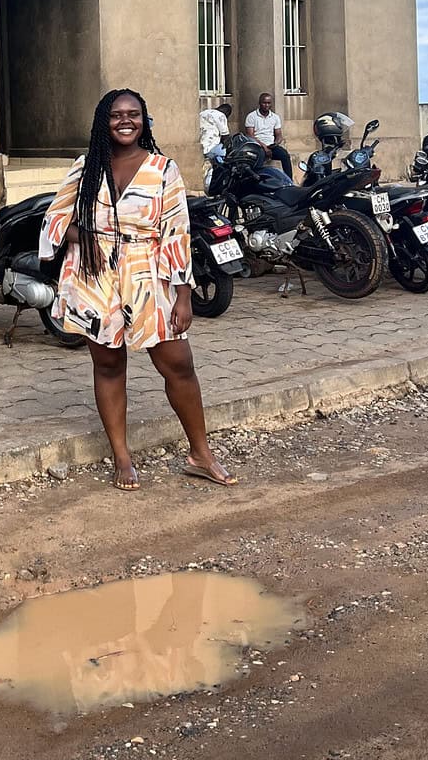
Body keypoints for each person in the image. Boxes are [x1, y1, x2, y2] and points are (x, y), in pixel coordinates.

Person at [41, 88, 237, 492]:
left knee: (178, 363)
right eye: (116, 114)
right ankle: (122, 456)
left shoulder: (163, 169)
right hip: (96, 278)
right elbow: (55, 221)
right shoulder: (86, 168)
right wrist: (88, 236)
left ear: (144, 121)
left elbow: (176, 233)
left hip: (149, 275)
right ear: (103, 121)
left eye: (134, 114)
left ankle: (201, 454)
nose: (125, 121)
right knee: (109, 365)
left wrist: (183, 293)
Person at [244, 92, 292, 178]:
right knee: (259, 159)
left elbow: (279, 135)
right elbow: (250, 136)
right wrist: (264, 147)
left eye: (268, 103)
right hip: (257, 146)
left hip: (271, 145)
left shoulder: (275, 117)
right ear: (259, 103)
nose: (266, 105)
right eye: (264, 103)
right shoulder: (251, 116)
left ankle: (289, 181)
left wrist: (276, 143)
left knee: (285, 155)